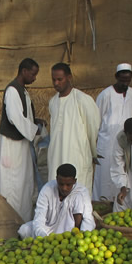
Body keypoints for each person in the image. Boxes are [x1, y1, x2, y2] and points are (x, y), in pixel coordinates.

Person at [0, 57, 44, 222]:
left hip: (22, 145)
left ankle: (24, 222)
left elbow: (24, 116)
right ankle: (12, 222)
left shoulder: (22, 90)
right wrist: (34, 130)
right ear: (24, 71)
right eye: (33, 74)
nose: (34, 78)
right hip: (13, 146)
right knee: (13, 185)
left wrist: (35, 121)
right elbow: (15, 117)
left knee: (24, 184)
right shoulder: (12, 90)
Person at [47, 63, 100, 195]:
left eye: (60, 79)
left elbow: (92, 127)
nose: (56, 83)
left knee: (78, 193)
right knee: (56, 193)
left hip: (77, 155)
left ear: (69, 77)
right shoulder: (52, 102)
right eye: (54, 79)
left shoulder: (83, 99)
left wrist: (92, 152)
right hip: (56, 156)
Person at [18, 164, 95, 238]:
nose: (64, 188)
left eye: (68, 185)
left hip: (69, 231)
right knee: (24, 230)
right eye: (61, 184)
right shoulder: (47, 189)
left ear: (74, 181)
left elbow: (88, 219)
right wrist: (43, 238)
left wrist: (81, 236)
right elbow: (39, 217)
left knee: (78, 197)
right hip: (48, 228)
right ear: (57, 179)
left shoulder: (81, 192)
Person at [94, 63, 132, 201]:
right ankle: (102, 206)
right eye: (122, 80)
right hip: (107, 144)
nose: (125, 83)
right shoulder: (105, 95)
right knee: (105, 177)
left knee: (122, 173)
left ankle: (120, 203)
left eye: (128, 80)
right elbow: (96, 120)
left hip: (125, 142)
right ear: (116, 77)